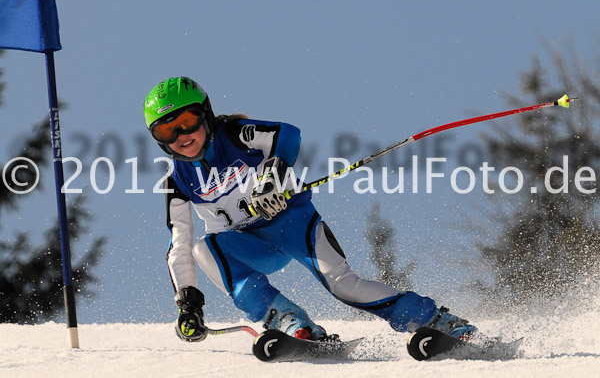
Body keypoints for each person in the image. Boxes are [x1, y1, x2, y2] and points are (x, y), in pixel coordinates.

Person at [143, 76, 477, 343]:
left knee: (343, 285)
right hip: (250, 246)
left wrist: (273, 174)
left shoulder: (236, 134)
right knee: (204, 248)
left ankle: (435, 320)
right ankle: (288, 321)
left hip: (292, 223)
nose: (182, 135)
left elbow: (288, 134)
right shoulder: (177, 181)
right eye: (167, 131)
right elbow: (179, 246)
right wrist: (188, 303)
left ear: (206, 115)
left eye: (187, 121)